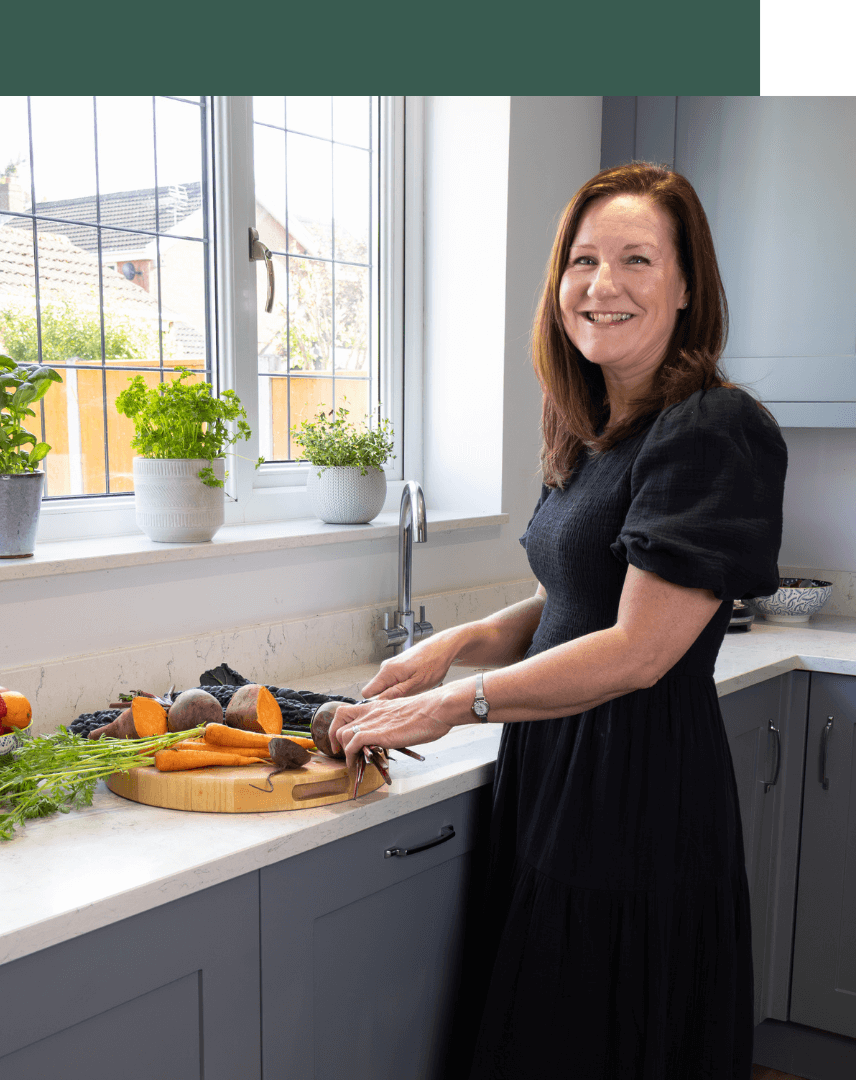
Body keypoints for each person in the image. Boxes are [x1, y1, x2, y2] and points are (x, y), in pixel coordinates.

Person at [327, 161, 787, 1079]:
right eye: (583, 260)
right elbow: (573, 598)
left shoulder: (711, 429)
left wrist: (454, 706)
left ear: (687, 286)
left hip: (635, 786)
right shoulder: (592, 430)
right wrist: (452, 648)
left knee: (599, 1037)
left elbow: (637, 650)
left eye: (637, 259)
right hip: (555, 766)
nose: (602, 284)